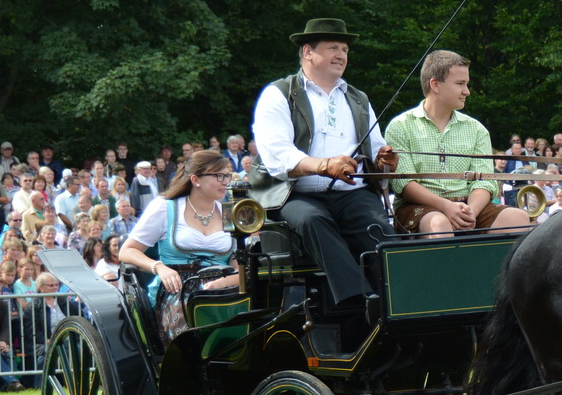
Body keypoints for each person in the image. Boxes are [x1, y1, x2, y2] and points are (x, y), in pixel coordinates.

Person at [250, 18, 398, 325]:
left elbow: (375, 150)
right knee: (312, 220)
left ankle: (403, 299)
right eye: (333, 48)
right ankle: (360, 303)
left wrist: (384, 160)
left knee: (378, 229)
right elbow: (278, 156)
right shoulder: (278, 94)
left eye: (344, 49)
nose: (341, 55)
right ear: (308, 51)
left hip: (351, 194)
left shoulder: (358, 98)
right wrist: (323, 165)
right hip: (295, 194)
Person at [386, 49, 530, 237]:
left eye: (466, 84)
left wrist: (470, 212)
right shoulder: (400, 126)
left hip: (468, 205)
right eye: (460, 84)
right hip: (417, 207)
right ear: (435, 85)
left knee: (518, 218)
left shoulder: (476, 129)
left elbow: (484, 181)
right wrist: (446, 206)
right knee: (439, 223)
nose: (467, 91)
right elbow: (404, 184)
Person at [116, 150, 242, 342]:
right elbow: (127, 251)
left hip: (223, 288)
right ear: (195, 179)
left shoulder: (229, 212)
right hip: (178, 288)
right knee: (192, 329)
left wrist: (222, 283)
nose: (225, 181)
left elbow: (237, 264)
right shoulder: (164, 207)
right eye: (218, 176)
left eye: (227, 176)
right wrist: (159, 267)